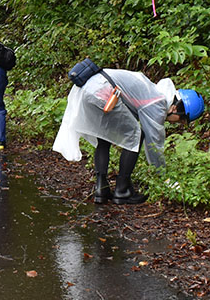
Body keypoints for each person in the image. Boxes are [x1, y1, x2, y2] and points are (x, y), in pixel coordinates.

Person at [53, 67, 202, 204]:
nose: (179, 124)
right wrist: (165, 179)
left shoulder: (153, 92)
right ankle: (122, 190)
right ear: (175, 107)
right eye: (182, 120)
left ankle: (102, 188)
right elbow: (154, 146)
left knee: (105, 135)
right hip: (103, 91)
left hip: (90, 88)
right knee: (135, 135)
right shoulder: (158, 103)